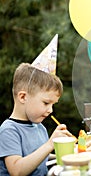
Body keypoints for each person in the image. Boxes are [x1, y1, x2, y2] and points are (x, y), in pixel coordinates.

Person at [0, 35, 73, 175]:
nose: (50, 110)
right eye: (46, 103)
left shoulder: (40, 128)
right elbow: (17, 170)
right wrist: (50, 145)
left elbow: (40, 159)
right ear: (23, 97)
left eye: (53, 104)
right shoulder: (9, 130)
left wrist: (65, 156)